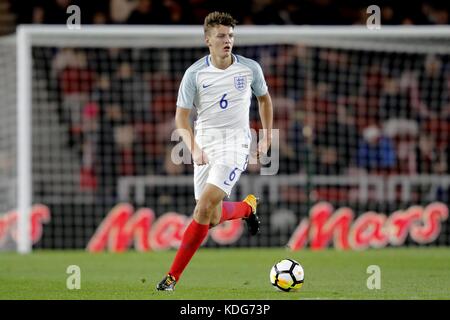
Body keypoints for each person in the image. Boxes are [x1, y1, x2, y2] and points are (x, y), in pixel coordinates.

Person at [156, 11, 273, 291]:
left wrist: (266, 138)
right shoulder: (194, 74)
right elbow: (181, 118)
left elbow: (264, 100)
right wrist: (193, 147)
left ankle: (171, 278)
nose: (227, 40)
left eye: (231, 35)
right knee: (212, 216)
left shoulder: (249, 69)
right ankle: (247, 208)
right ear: (208, 40)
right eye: (221, 36)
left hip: (236, 144)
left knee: (203, 206)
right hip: (205, 146)